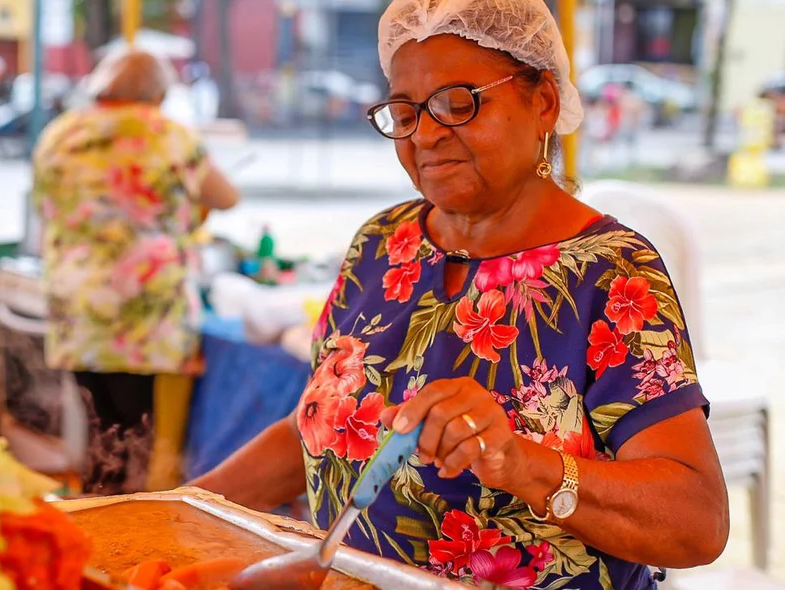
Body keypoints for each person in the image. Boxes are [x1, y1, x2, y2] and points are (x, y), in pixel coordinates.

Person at [192, 0, 729, 587]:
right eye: (405, 111)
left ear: (543, 101)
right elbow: (317, 433)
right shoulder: (382, 242)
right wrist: (169, 510)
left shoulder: (608, 274)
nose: (424, 135)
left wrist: (522, 464)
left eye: (458, 103)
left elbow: (695, 522)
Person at [32, 49, 240, 494]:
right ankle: (131, 538)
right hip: (144, 315)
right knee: (141, 439)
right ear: (159, 93)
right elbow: (226, 197)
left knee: (99, 432)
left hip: (77, 306)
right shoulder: (169, 136)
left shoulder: (60, 134)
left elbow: (45, 206)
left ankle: (92, 524)